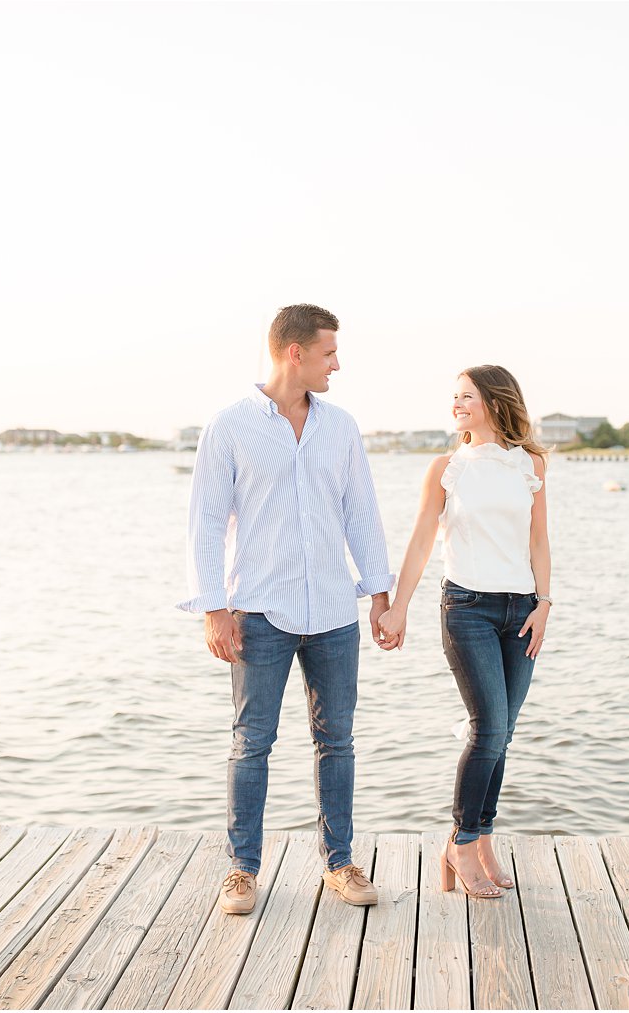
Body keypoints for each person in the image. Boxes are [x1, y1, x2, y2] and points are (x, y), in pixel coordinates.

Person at [180, 304, 394, 915]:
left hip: (332, 609)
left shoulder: (341, 427)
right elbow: (205, 521)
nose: (337, 363)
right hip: (259, 609)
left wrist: (379, 593)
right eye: (329, 352)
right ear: (294, 353)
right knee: (252, 741)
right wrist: (213, 608)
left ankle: (340, 862)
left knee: (338, 740)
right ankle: (242, 870)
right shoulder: (229, 427)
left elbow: (361, 511)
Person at [375, 365, 551, 899]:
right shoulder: (448, 468)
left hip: (521, 610)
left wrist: (545, 603)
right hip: (467, 608)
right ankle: (461, 841)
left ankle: (483, 841)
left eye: (466, 396)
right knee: (489, 729)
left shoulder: (531, 465)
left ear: (495, 402)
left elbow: (539, 540)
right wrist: (397, 607)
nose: (456, 404)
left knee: (504, 734)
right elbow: (422, 540)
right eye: (454, 396)